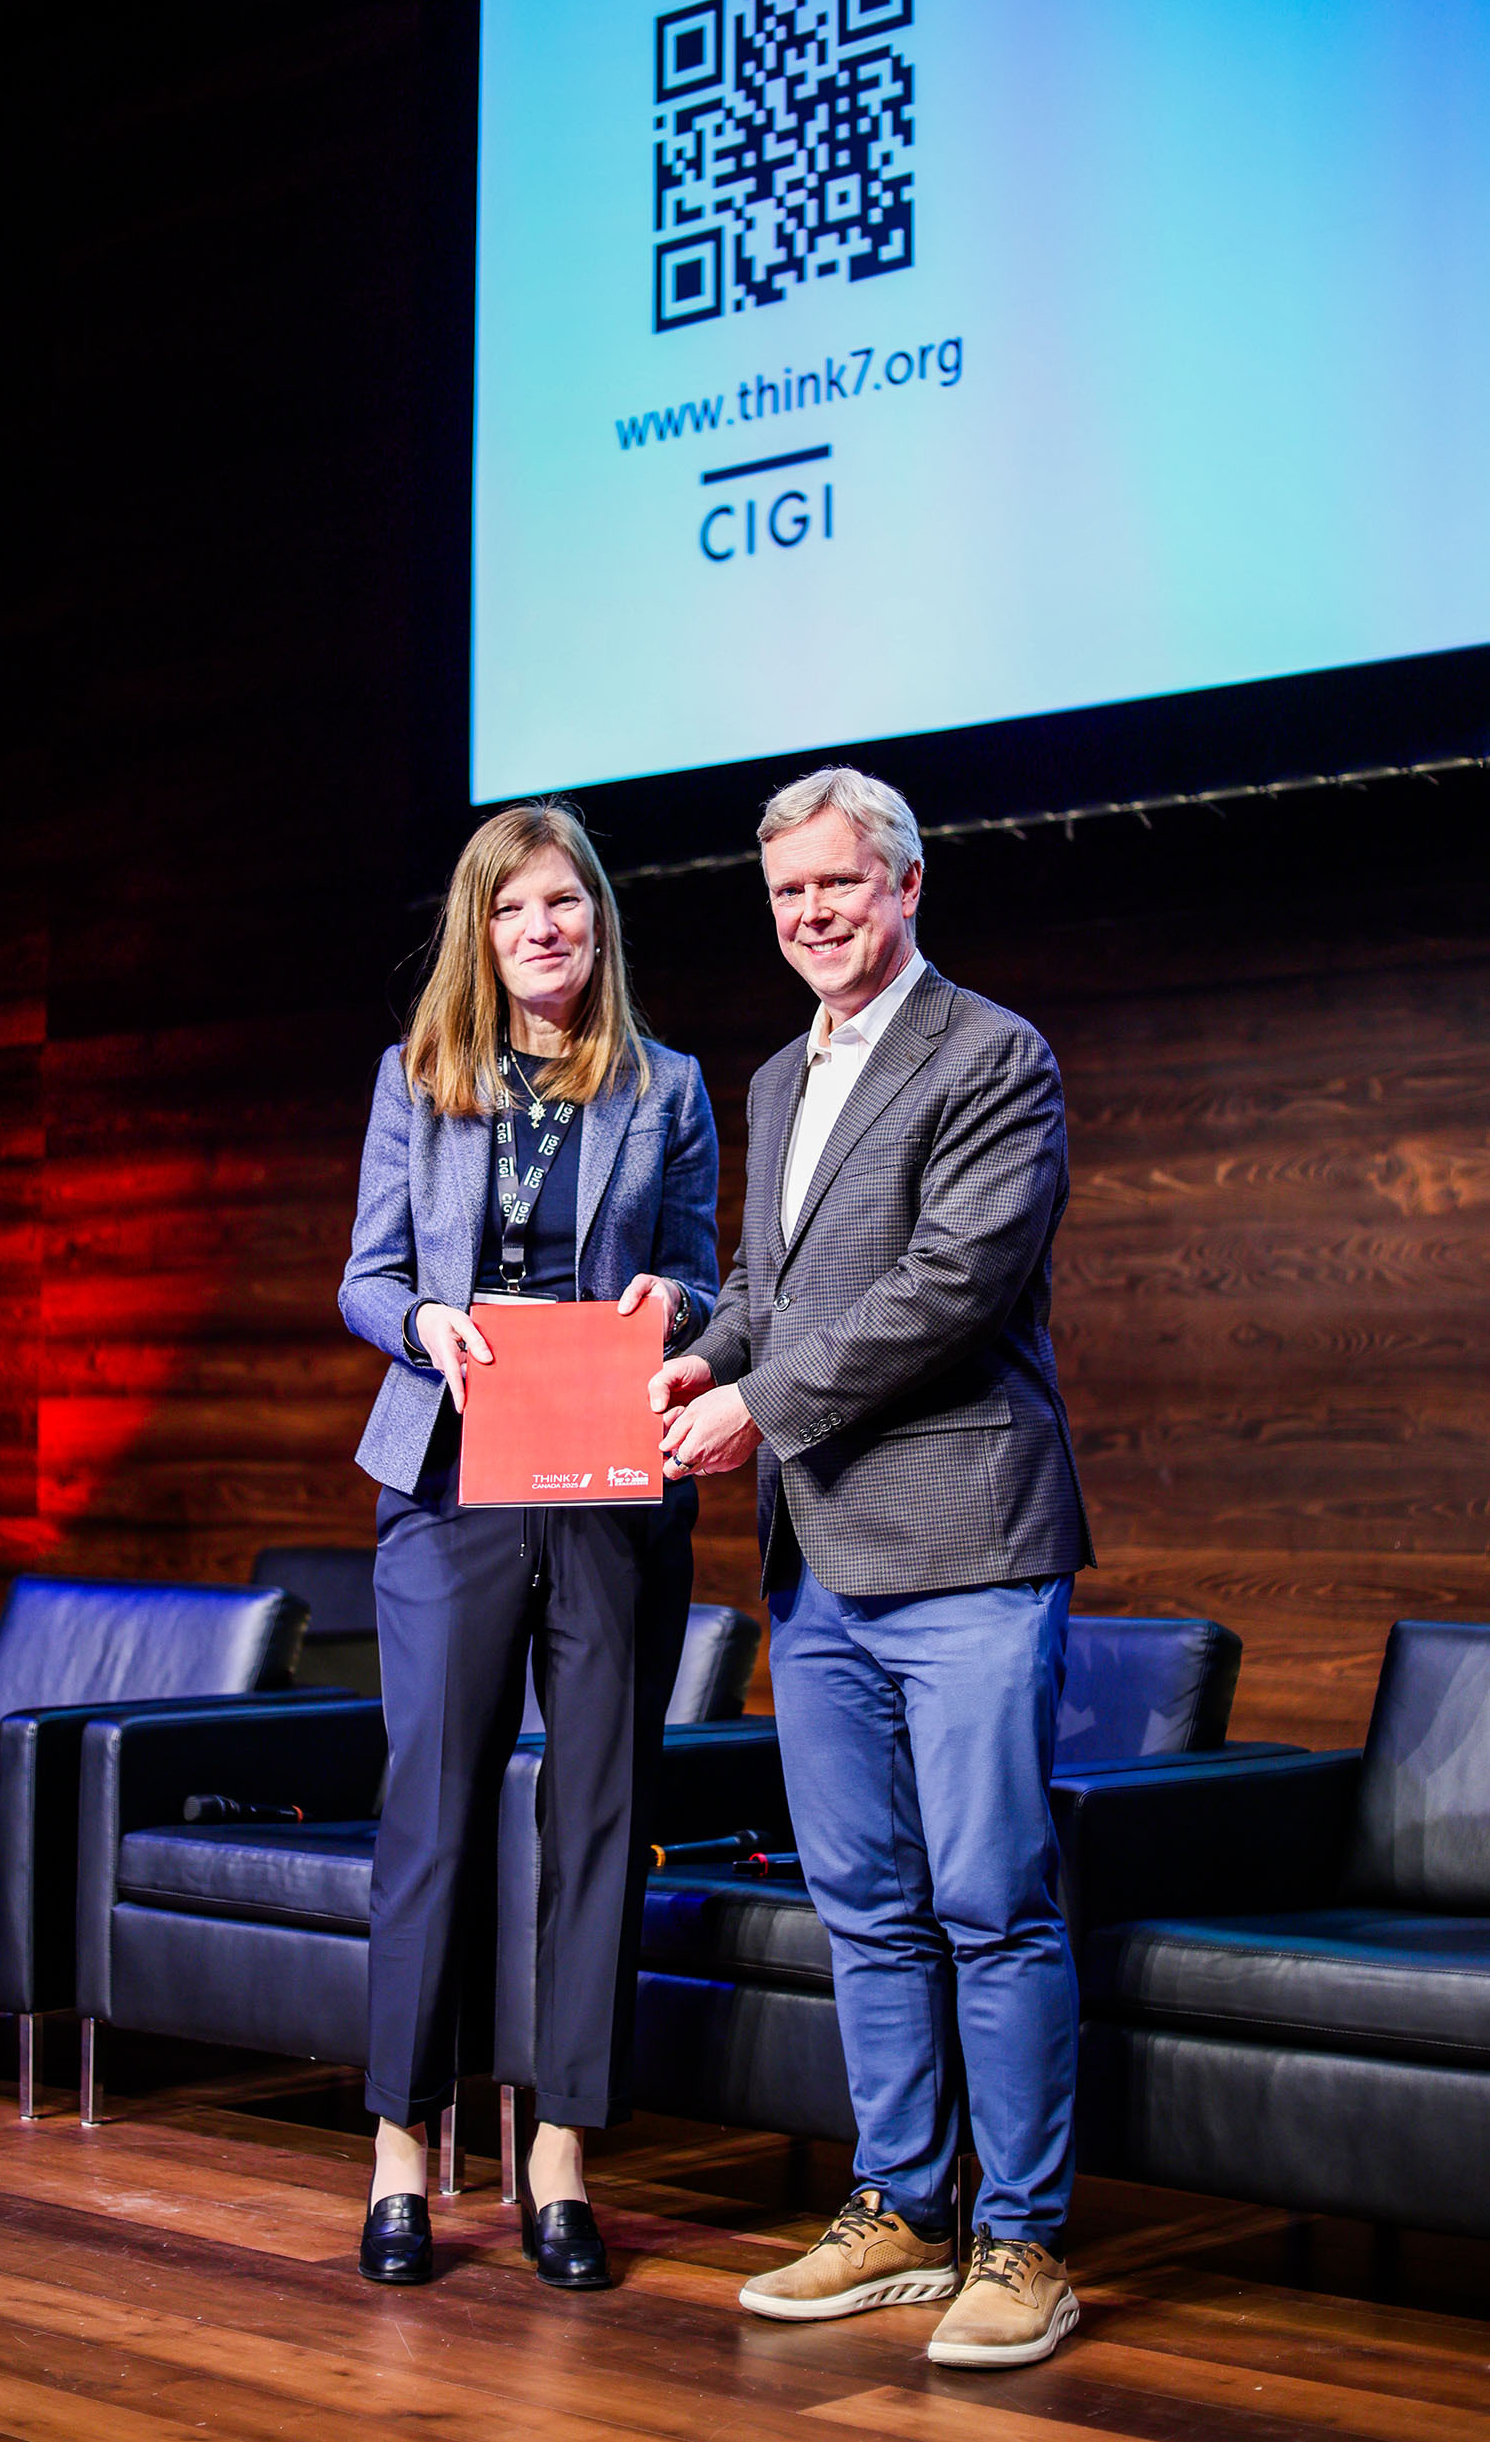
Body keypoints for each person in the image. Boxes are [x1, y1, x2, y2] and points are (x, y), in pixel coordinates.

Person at [653, 765, 1092, 2369]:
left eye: (837, 883)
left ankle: (1022, 2239)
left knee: (991, 1897)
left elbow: (947, 1284)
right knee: (862, 1902)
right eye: (786, 892)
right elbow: (765, 1287)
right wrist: (701, 1355)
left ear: (906, 883)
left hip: (966, 1543)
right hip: (818, 1559)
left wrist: (757, 1406)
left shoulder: (992, 1054)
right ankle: (900, 2207)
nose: (811, 913)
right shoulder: (778, 1076)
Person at [339, 800, 718, 2293]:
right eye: (509, 908)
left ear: (598, 919)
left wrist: (671, 1307)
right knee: (431, 1813)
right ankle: (401, 2149)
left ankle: (561, 2151)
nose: (539, 928)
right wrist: (425, 1322)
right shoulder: (415, 1077)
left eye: (562, 902)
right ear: (478, 932)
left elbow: (700, 1273)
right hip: (451, 1482)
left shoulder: (667, 1085)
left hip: (609, 1482)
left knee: (601, 1812)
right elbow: (368, 1277)